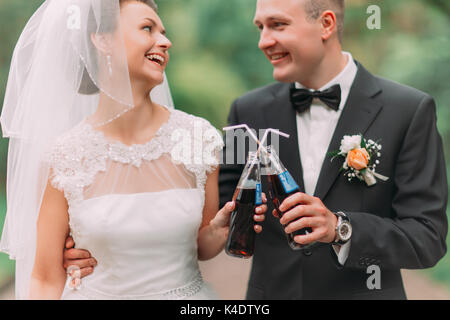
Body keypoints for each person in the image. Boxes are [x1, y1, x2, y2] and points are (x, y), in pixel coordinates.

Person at [0, 0, 267, 300]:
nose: (165, 42)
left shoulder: (198, 137)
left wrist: (220, 228)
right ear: (102, 40)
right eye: (147, 28)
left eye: (163, 32)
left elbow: (200, 245)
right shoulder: (65, 157)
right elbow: (45, 279)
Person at [218, 0, 448, 299]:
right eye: (260, 27)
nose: (264, 41)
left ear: (326, 24)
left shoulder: (408, 110)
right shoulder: (245, 112)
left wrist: (341, 229)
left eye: (278, 24)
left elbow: (427, 239)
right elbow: (222, 218)